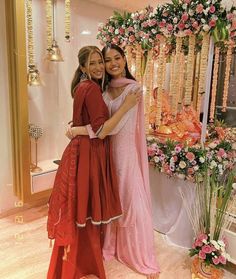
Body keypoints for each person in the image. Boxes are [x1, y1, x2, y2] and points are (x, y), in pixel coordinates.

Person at [47, 46, 140, 279]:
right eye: (94, 63)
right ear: (83, 68)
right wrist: (127, 106)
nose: (100, 67)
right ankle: (81, 265)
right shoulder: (92, 90)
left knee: (80, 209)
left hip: (81, 152)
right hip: (88, 154)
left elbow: (87, 124)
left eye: (101, 61)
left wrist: (76, 129)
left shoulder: (82, 87)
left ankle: (78, 263)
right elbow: (100, 130)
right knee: (84, 210)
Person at [68, 44, 160, 278]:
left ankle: (138, 254)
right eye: (106, 60)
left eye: (116, 58)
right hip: (105, 154)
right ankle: (111, 247)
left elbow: (112, 127)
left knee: (130, 201)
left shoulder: (134, 89)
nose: (111, 64)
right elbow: (98, 122)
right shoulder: (103, 89)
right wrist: (75, 127)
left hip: (125, 154)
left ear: (124, 60)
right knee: (112, 199)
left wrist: (77, 131)